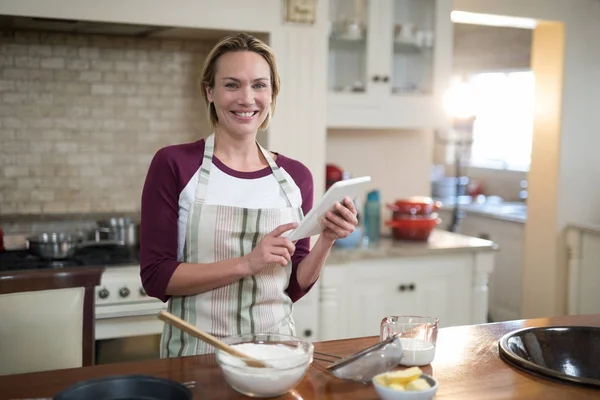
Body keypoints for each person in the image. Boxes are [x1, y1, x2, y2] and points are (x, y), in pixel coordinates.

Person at [140, 32, 358, 357]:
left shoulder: (296, 177)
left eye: (259, 85)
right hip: (196, 353)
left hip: (275, 356)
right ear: (209, 92)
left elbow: (295, 284)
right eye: (232, 85)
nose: (247, 98)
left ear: (272, 94)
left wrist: (326, 238)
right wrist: (247, 263)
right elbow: (156, 278)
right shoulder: (174, 164)